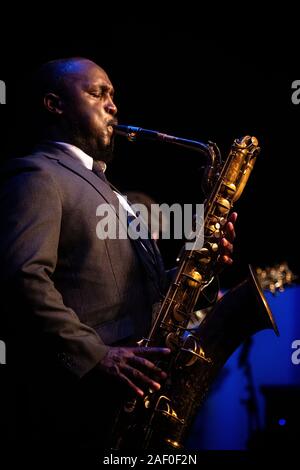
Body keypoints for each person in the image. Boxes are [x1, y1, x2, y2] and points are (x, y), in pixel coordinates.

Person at [0, 57, 236, 456]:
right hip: (83, 410)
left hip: (135, 401)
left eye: (113, 95)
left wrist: (202, 262)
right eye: (97, 93)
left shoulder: (113, 193)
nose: (112, 105)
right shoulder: (38, 174)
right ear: (54, 104)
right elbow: (20, 277)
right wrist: (94, 356)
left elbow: (158, 291)